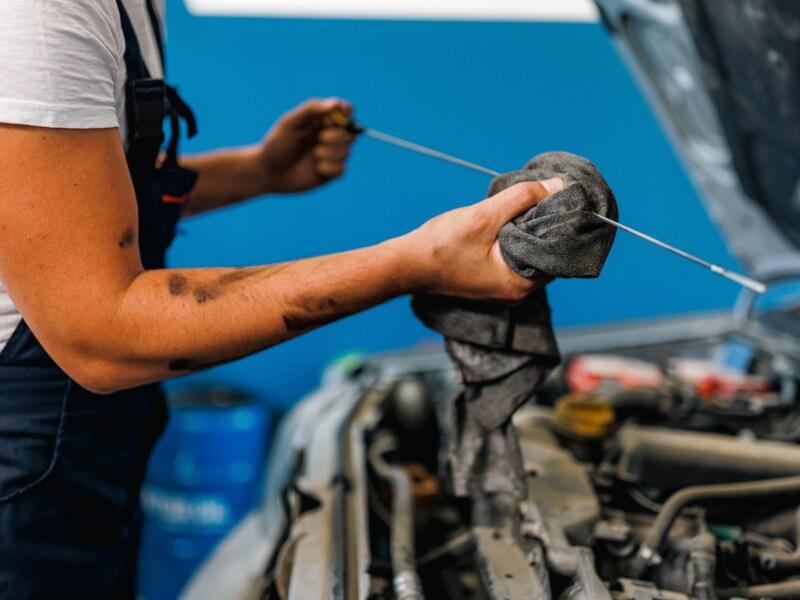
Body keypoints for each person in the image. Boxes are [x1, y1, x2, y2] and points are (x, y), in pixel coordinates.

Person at [0, 1, 562, 597]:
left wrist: (260, 170)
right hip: (25, 466)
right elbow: (102, 338)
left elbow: (74, 197)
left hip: (93, 451)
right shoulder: (39, 15)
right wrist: (412, 263)